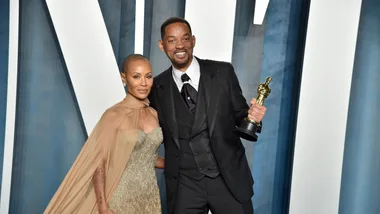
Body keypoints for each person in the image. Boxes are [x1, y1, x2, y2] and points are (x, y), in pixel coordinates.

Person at [148, 17, 267, 214]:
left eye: (185, 39)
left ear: (193, 41)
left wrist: (252, 116)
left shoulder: (222, 72)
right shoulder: (156, 87)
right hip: (184, 184)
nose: (180, 45)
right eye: (172, 40)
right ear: (162, 45)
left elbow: (239, 114)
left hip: (227, 178)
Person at [44, 54, 164, 214]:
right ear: (124, 78)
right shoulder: (113, 115)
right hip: (119, 197)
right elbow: (98, 162)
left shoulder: (153, 114)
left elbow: (148, 156)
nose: (143, 83)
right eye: (136, 76)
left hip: (149, 197)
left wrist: (186, 163)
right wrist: (103, 206)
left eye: (148, 76)